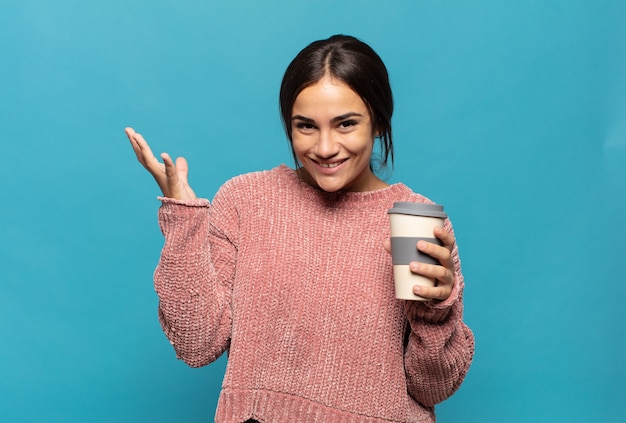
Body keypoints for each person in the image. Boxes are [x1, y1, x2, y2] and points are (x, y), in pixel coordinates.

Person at [126, 34, 474, 423]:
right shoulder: (247, 200)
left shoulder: (414, 221)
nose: (325, 147)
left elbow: (432, 388)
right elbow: (198, 344)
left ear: (378, 122)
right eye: (306, 126)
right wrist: (185, 220)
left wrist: (436, 312)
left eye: (345, 124)